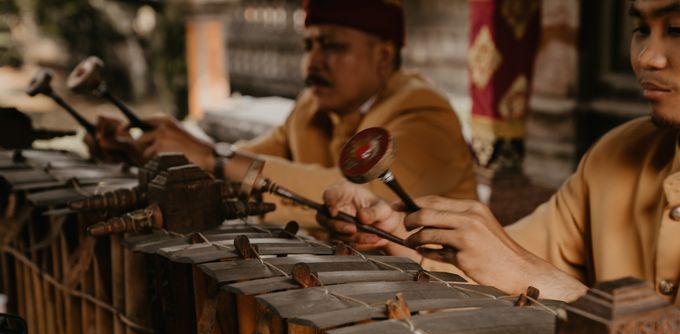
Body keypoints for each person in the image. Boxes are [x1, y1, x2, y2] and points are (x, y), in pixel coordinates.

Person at [318, 0, 680, 334]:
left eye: (677, 28)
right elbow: (490, 274)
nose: (647, 57)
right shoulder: (615, 156)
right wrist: (396, 232)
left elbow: (527, 274)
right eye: (642, 29)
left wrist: (543, 281)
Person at [92, 0, 477, 228]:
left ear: (384, 57)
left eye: (332, 47)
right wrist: (151, 151)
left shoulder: (426, 113)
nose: (314, 61)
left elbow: (362, 199)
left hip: (436, 303)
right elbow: (248, 161)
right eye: (308, 46)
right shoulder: (312, 106)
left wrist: (216, 157)